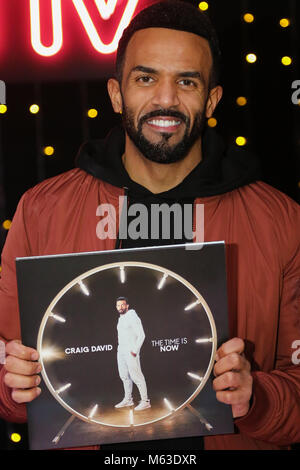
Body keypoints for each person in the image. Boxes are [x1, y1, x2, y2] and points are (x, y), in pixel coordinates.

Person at [0, 0, 299, 451]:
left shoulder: (280, 220)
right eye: (146, 78)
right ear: (117, 94)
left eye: (186, 81)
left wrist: (256, 397)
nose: (165, 99)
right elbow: (8, 377)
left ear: (212, 100)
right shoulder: (42, 210)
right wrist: (12, 385)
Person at [115, 297, 150, 411]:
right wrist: (121, 350)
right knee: (124, 376)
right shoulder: (120, 319)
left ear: (127, 306)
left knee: (136, 376)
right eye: (118, 305)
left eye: (122, 305)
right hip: (121, 351)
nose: (120, 307)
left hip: (131, 351)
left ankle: (145, 401)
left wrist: (135, 351)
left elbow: (141, 335)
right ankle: (128, 399)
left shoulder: (132, 316)